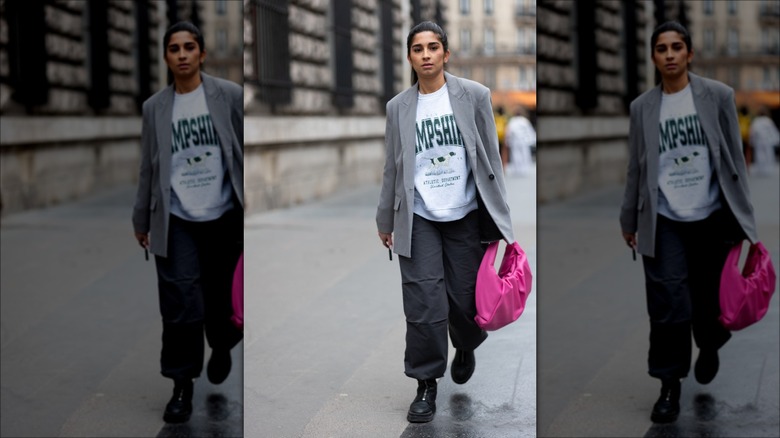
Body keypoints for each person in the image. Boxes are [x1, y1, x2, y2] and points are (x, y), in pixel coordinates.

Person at [376, 21, 515, 424]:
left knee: (466, 301)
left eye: (433, 47)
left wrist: (502, 217)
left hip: (465, 215)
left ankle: (466, 343)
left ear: (445, 54)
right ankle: (425, 384)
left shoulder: (474, 96)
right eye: (417, 48)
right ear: (409, 57)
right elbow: (392, 168)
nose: (425, 55)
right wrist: (385, 218)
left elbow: (491, 158)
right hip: (418, 217)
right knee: (423, 303)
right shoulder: (397, 107)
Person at [620, 21, 757, 424]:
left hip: (713, 217)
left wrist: (745, 218)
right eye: (661, 48)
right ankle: (669, 384)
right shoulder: (642, 107)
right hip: (664, 221)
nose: (670, 54)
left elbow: (735, 160)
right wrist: (629, 219)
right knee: (668, 306)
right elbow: (635, 169)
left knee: (708, 300)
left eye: (677, 47)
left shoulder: (718, 96)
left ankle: (711, 342)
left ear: (689, 53)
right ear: (653, 57)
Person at [132, 21, 244, 423]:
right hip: (176, 219)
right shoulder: (155, 107)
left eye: (189, 47)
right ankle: (181, 384)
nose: (181, 54)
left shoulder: (229, 95)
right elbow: (148, 167)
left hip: (224, 218)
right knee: (181, 304)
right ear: (166, 57)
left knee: (218, 301)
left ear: (202, 54)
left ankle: (223, 344)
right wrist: (141, 218)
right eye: (174, 48)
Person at [505, 107, 536, 176]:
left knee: (516, 155)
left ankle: (517, 169)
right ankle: (524, 168)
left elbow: (509, 132)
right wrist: (532, 140)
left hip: (515, 141)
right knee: (524, 154)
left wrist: (507, 141)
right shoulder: (524, 121)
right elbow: (530, 131)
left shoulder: (512, 121)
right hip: (524, 140)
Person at [749, 107, 780, 176]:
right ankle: (768, 168)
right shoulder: (768, 121)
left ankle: (761, 169)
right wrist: (776, 140)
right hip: (767, 141)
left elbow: (753, 132)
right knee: (768, 154)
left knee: (759, 155)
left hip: (759, 141)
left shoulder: (756, 121)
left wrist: (752, 141)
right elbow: (773, 131)